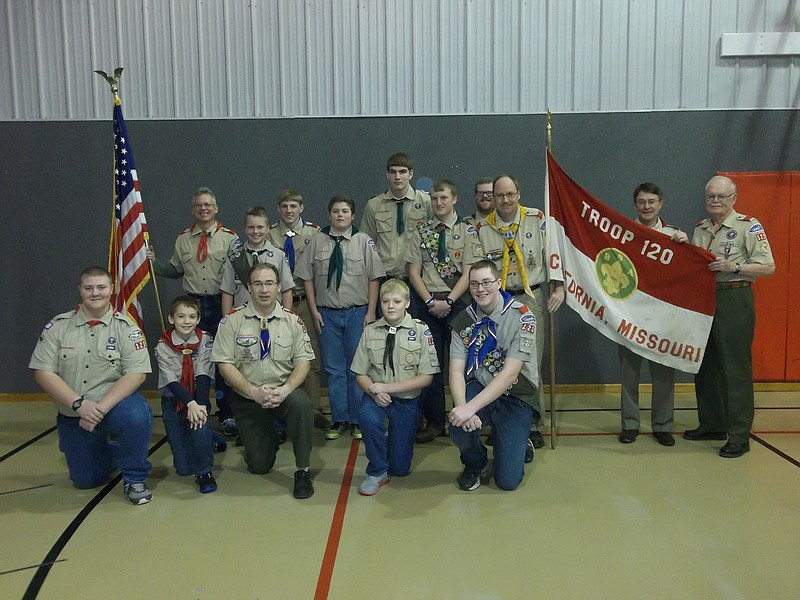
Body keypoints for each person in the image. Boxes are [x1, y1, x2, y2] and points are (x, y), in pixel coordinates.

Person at [29, 266, 154, 505]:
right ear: (80, 291)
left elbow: (136, 374)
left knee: (137, 415)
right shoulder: (58, 326)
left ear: (111, 289)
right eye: (89, 288)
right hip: (74, 412)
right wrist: (79, 405)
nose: (95, 293)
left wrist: (99, 409)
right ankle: (111, 450)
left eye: (101, 287)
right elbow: (43, 372)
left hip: (111, 407)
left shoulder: (126, 328)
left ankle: (134, 477)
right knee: (86, 480)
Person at [684, 176, 775, 458]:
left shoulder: (748, 226)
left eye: (722, 197)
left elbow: (768, 266)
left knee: (735, 368)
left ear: (734, 199)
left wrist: (733, 266)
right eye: (711, 196)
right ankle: (712, 424)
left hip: (734, 296)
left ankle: (738, 434)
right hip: (705, 299)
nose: (715, 201)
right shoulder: (700, 228)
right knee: (705, 364)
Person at [211, 263, 316, 498]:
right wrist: (253, 391)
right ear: (249, 287)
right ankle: (260, 439)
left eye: (269, 283)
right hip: (248, 397)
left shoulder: (293, 321)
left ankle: (302, 471)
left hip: (284, 393)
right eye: (257, 284)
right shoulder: (231, 322)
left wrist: (287, 389)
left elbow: (303, 362)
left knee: (302, 405)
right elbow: (224, 364)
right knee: (259, 466)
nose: (264, 289)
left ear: (279, 287)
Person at [476, 174, 564, 450]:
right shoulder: (484, 227)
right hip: (497, 300)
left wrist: (558, 286)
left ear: (518, 194)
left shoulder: (537, 220)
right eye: (499, 195)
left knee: (529, 361)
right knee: (497, 361)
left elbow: (554, 253)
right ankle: (500, 420)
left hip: (530, 296)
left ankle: (532, 422)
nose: (505, 200)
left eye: (510, 194)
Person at [147, 187, 239, 437]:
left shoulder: (230, 238)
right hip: (192, 308)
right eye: (199, 205)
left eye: (208, 205)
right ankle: (197, 408)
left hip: (222, 305)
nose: (203, 209)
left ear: (216, 209)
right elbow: (175, 270)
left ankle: (226, 412)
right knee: (192, 360)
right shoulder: (183, 239)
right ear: (193, 209)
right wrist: (153, 263)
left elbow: (239, 273)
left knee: (221, 361)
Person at [296, 195, 386, 440]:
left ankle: (357, 419)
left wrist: (370, 311)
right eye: (335, 211)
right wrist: (314, 310)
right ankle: (339, 419)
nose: (340, 215)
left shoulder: (363, 241)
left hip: (357, 312)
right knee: (333, 369)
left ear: (353, 215)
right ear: (329, 214)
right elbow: (306, 277)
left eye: (345, 211)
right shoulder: (317, 241)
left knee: (356, 368)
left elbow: (374, 278)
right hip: (328, 315)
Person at [447, 260, 539, 491]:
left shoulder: (523, 318)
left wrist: (470, 408)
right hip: (481, 385)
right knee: (457, 425)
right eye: (475, 284)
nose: (481, 289)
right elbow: (456, 370)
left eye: (487, 282)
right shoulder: (463, 320)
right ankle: (475, 463)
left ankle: (516, 440)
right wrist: (463, 410)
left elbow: (509, 375)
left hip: (516, 394)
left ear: (499, 283)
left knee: (507, 482)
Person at [405, 179, 483, 443]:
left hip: (458, 303)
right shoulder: (422, 231)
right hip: (427, 305)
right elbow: (413, 271)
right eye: (435, 199)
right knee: (430, 365)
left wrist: (449, 300)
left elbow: (470, 271)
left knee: (463, 364)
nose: (438, 203)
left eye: (443, 198)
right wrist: (429, 301)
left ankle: (465, 415)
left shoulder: (468, 231)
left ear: (454, 199)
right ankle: (436, 421)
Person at [351, 279, 440, 495]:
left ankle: (391, 446)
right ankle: (377, 470)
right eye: (385, 301)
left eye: (397, 301)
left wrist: (386, 388)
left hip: (406, 401)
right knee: (369, 419)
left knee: (400, 468)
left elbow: (427, 377)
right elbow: (359, 373)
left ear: (407, 303)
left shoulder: (421, 331)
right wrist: (373, 389)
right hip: (376, 397)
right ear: (380, 304)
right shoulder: (370, 331)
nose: (391, 306)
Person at [618, 183, 688, 446]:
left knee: (663, 374)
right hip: (629, 314)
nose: (647, 207)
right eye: (641, 202)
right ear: (635, 205)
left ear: (661, 203)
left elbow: (686, 272)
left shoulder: (674, 236)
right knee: (628, 373)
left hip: (662, 318)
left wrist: (685, 246)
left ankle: (662, 425)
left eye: (652, 202)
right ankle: (630, 425)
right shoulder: (623, 232)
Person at [267, 189, 330, 430]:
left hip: (305, 301)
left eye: (293, 206)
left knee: (311, 358)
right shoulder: (270, 233)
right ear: (279, 209)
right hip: (276, 304)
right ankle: (281, 410)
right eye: (284, 206)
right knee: (279, 357)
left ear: (301, 208)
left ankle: (313, 410)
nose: (289, 211)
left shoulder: (314, 233)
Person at [155, 296, 218, 493]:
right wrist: (189, 403)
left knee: (199, 424)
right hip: (173, 401)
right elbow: (171, 382)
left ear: (198, 319)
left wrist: (198, 406)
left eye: (192, 316)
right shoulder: (162, 345)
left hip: (198, 397)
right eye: (181, 316)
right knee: (183, 468)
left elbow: (203, 374)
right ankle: (210, 440)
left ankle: (205, 472)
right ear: (171, 319)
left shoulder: (205, 340)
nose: (186, 321)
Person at [360, 152, 432, 281]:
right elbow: (366, 244)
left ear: (411, 174)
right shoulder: (374, 205)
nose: (397, 177)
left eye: (402, 172)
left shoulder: (426, 202)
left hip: (418, 279)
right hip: (384, 278)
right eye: (393, 172)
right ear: (387, 175)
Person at [220, 206, 294, 315]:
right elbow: (227, 292)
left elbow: (287, 290)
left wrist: (287, 318)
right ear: (245, 228)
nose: (255, 231)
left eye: (260, 227)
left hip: (273, 318)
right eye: (251, 227)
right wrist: (226, 320)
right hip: (242, 318)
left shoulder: (278, 255)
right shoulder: (235, 257)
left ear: (267, 228)